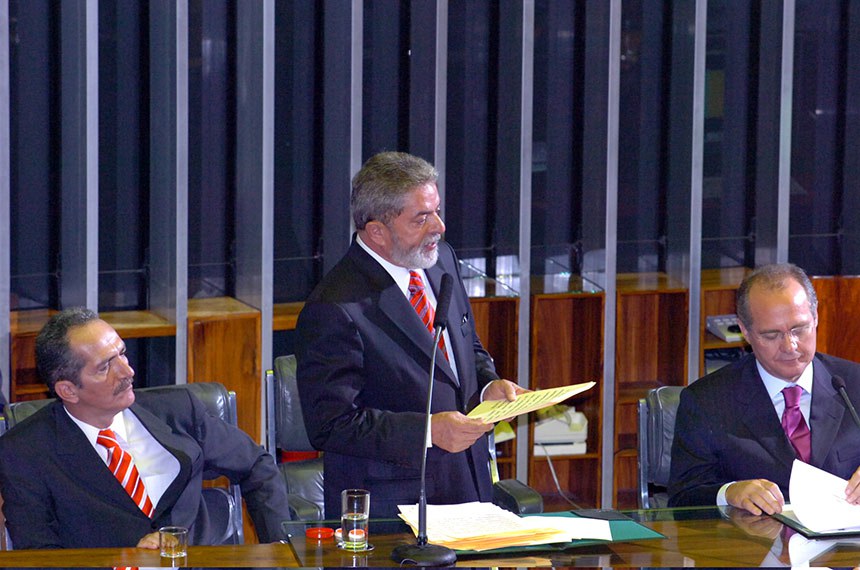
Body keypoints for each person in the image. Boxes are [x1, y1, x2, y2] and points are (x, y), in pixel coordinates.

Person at [295, 151, 524, 518]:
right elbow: (332, 424)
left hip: (468, 486)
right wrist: (428, 432)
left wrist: (487, 387)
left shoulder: (441, 259)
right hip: (394, 508)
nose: (439, 226)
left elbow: (466, 346)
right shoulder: (335, 306)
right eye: (422, 218)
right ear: (377, 232)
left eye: (437, 211)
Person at [0, 308, 292, 549]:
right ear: (68, 390)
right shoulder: (25, 452)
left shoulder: (179, 410)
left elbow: (256, 464)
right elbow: (39, 556)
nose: (127, 371)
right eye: (105, 367)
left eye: (122, 354)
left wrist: (280, 551)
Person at [668, 263, 860, 515]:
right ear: (745, 332)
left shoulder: (853, 384)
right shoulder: (707, 401)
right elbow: (682, 499)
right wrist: (729, 493)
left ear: (815, 318)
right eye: (771, 335)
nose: (790, 346)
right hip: (755, 548)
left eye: (799, 329)